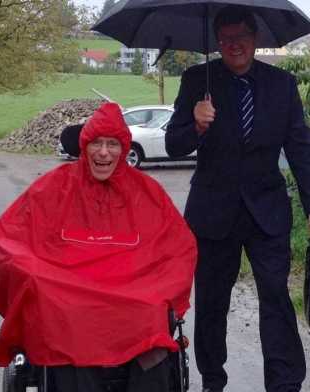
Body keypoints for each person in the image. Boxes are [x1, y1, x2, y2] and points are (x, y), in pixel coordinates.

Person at [0, 102, 197, 392]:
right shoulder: (53, 187)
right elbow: (9, 238)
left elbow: (179, 247)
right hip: (70, 295)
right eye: (97, 143)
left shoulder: (147, 193)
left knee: (151, 314)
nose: (103, 152)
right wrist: (33, 275)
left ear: (124, 148)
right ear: (84, 145)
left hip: (132, 294)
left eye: (112, 144)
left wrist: (163, 289)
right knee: (62, 313)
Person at [165, 5, 310, 392]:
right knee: (212, 305)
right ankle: (213, 380)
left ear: (255, 38)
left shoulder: (282, 85)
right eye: (226, 39)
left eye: (241, 37)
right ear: (218, 42)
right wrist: (195, 124)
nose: (234, 46)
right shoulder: (198, 80)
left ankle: (285, 383)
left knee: (277, 300)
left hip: (268, 213)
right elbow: (173, 144)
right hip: (213, 214)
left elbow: (301, 150)